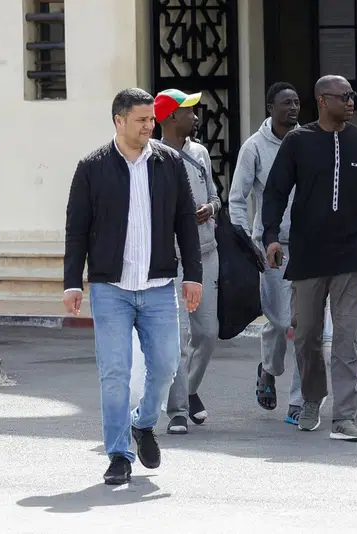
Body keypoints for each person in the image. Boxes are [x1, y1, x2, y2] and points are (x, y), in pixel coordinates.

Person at [63, 88, 203, 484]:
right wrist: (72, 282)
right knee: (115, 374)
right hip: (111, 288)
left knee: (167, 366)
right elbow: (76, 229)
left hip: (158, 286)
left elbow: (185, 221)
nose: (149, 126)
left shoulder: (168, 162)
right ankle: (118, 454)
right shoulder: (91, 167)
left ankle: (143, 424)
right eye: (141, 119)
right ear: (119, 121)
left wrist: (193, 275)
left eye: (151, 119)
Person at [261, 74, 357, 442]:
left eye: (352, 95)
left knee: (347, 339)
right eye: (344, 96)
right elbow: (275, 192)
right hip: (308, 257)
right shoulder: (298, 142)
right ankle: (312, 398)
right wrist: (271, 237)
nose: (351, 102)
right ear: (322, 100)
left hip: (353, 255)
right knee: (306, 336)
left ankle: (344, 417)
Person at [228, 82, 306, 425]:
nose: (293, 108)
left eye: (296, 102)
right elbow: (237, 199)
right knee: (280, 321)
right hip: (271, 247)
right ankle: (269, 370)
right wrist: (247, 243)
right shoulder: (254, 147)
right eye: (286, 103)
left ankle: (299, 401)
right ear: (270, 107)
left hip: (307, 246)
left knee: (305, 325)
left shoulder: (308, 140)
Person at [155, 89, 222, 435]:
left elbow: (216, 197)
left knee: (207, 333)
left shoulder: (200, 154)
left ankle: (189, 389)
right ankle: (177, 410)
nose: (195, 117)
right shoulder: (152, 157)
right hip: (173, 260)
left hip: (206, 252)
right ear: (170, 118)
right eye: (188, 111)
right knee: (178, 339)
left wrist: (209, 208)